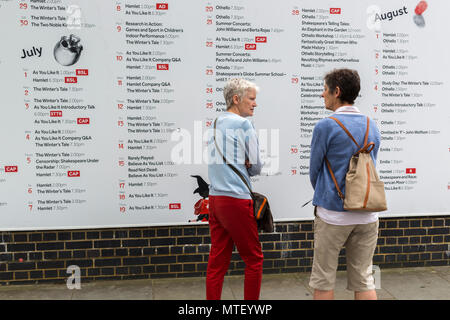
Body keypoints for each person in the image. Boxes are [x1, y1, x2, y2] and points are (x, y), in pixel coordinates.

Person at [309, 69, 381, 300]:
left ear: (336, 91)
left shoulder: (325, 126)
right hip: (367, 214)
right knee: (364, 279)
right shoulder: (372, 125)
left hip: (333, 214)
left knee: (324, 279)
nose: (322, 94)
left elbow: (315, 171)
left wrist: (326, 191)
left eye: (325, 89)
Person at [206, 78, 263, 300]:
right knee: (254, 259)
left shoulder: (216, 122)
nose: (255, 104)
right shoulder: (244, 125)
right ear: (236, 99)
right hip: (237, 200)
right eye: (251, 98)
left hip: (216, 199)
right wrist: (248, 165)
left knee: (217, 263)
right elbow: (257, 166)